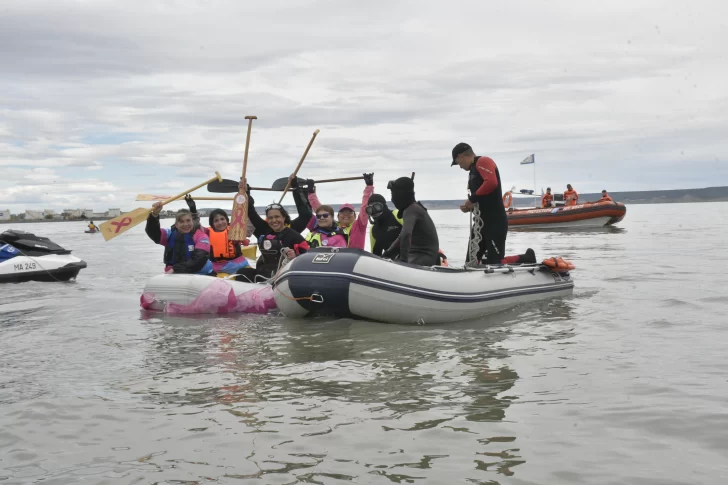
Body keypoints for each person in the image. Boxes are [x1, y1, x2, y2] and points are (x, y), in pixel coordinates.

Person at [235, 183, 309, 282]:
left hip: (283, 277)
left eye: (277, 217)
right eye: (270, 218)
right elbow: (250, 211)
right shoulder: (262, 230)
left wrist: (295, 257)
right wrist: (245, 191)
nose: (274, 220)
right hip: (263, 275)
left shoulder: (294, 233)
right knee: (242, 272)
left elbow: (307, 257)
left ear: (284, 217)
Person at [450, 142, 508, 265]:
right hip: (480, 224)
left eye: (458, 163)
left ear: (461, 156)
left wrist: (472, 199)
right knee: (470, 261)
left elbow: (492, 183)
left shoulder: (483, 161)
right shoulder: (472, 171)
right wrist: (470, 207)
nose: (459, 166)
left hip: (495, 223)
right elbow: (483, 198)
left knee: (495, 261)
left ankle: (525, 258)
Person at [301, 173, 374, 249]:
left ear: (355, 216)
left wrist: (369, 187)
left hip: (354, 259)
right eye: (342, 212)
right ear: (337, 216)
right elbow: (320, 210)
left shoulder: (359, 226)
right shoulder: (335, 227)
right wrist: (311, 193)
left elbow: (365, 207)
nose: (346, 214)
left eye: (349, 212)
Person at [382, 177, 440, 266]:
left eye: (392, 193)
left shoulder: (411, 210)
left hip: (423, 256)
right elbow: (401, 238)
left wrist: (403, 262)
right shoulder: (413, 209)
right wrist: (385, 255)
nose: (392, 198)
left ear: (399, 195)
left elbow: (406, 235)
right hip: (417, 255)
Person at [145, 202, 213, 275]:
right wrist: (154, 215)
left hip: (200, 273)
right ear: (176, 225)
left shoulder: (201, 236)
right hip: (175, 275)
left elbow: (200, 259)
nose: (186, 224)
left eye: (188, 220)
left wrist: (175, 269)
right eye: (181, 221)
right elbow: (153, 233)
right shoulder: (169, 234)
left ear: (192, 222)